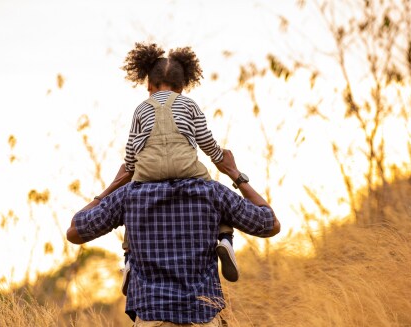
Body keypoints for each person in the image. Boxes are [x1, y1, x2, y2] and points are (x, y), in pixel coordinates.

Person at [67, 149, 281, 325]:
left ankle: (129, 257)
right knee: (220, 220)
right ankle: (226, 238)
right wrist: (234, 173)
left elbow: (76, 231)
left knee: (134, 228)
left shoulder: (128, 195)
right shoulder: (212, 191)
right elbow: (269, 224)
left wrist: (116, 184)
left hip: (152, 315)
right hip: (202, 315)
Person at [93, 42, 239, 289]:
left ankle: (129, 258)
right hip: (188, 171)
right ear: (182, 86)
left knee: (132, 203)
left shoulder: (141, 109)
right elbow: (206, 142)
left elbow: (131, 152)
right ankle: (225, 239)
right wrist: (219, 157)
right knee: (215, 194)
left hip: (147, 174)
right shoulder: (190, 105)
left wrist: (131, 168)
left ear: (148, 84)